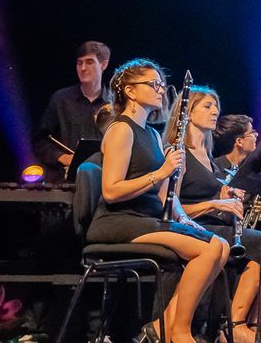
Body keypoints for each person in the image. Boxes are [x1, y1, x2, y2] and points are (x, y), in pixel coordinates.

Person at [87, 58, 228, 343]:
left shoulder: (151, 133)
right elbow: (111, 191)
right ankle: (179, 332)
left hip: (146, 218)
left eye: (161, 84)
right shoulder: (121, 130)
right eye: (153, 84)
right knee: (207, 251)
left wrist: (184, 217)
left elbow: (162, 195)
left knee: (221, 246)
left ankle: (159, 325)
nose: (161, 90)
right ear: (130, 91)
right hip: (118, 221)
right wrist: (161, 172)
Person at [169, 86, 261, 342]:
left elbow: (212, 197)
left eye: (216, 106)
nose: (215, 111)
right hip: (193, 228)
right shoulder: (178, 151)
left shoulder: (207, 156)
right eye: (207, 106)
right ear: (188, 113)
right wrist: (215, 204)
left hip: (214, 226)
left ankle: (255, 327)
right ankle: (235, 326)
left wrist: (227, 196)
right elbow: (172, 206)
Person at [34, 40, 113, 172]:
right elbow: (40, 141)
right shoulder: (60, 99)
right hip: (66, 181)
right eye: (79, 63)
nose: (83, 68)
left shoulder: (115, 103)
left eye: (89, 62)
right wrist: (61, 157)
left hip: (105, 180)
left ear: (103, 64)